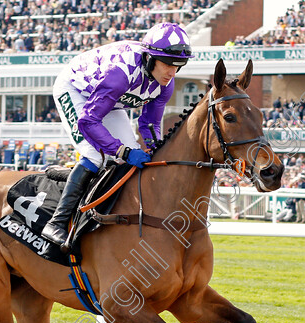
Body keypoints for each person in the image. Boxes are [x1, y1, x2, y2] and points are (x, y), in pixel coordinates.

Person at [41, 22, 193, 248]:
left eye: (179, 66)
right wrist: (122, 150)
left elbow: (149, 124)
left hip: (110, 102)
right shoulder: (120, 74)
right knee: (96, 154)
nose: (172, 73)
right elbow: (88, 121)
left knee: (127, 160)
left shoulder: (165, 84)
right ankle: (56, 222)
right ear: (150, 58)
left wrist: (154, 150)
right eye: (168, 64)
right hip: (76, 91)